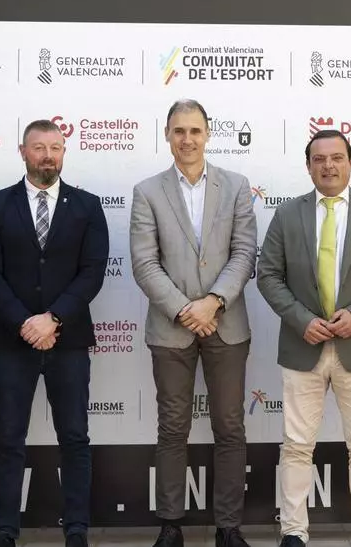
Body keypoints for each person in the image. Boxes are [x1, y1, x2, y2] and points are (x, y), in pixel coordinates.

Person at [256, 129, 351, 547]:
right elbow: (267, 275)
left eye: (337, 157)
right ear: (308, 167)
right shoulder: (286, 215)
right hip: (302, 346)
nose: (328, 166)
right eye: (319, 159)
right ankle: (293, 532)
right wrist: (301, 319)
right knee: (296, 445)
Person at [0, 119, 109, 547]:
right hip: (12, 342)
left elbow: (92, 273)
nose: (48, 155)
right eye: (39, 147)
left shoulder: (87, 206)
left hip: (69, 341)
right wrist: (25, 323)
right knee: (8, 439)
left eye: (55, 147)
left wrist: (54, 318)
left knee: (75, 438)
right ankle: (4, 532)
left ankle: (77, 530)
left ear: (64, 152)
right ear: (23, 152)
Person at [129, 99, 257, 547]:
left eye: (195, 131)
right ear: (167, 135)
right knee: (172, 428)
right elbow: (144, 264)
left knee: (230, 427)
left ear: (208, 134)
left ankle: (228, 527)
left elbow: (245, 252)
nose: (187, 139)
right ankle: (170, 526)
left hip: (227, 324)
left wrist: (214, 303)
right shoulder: (147, 191)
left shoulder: (236, 186)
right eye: (179, 131)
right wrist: (188, 309)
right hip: (172, 328)